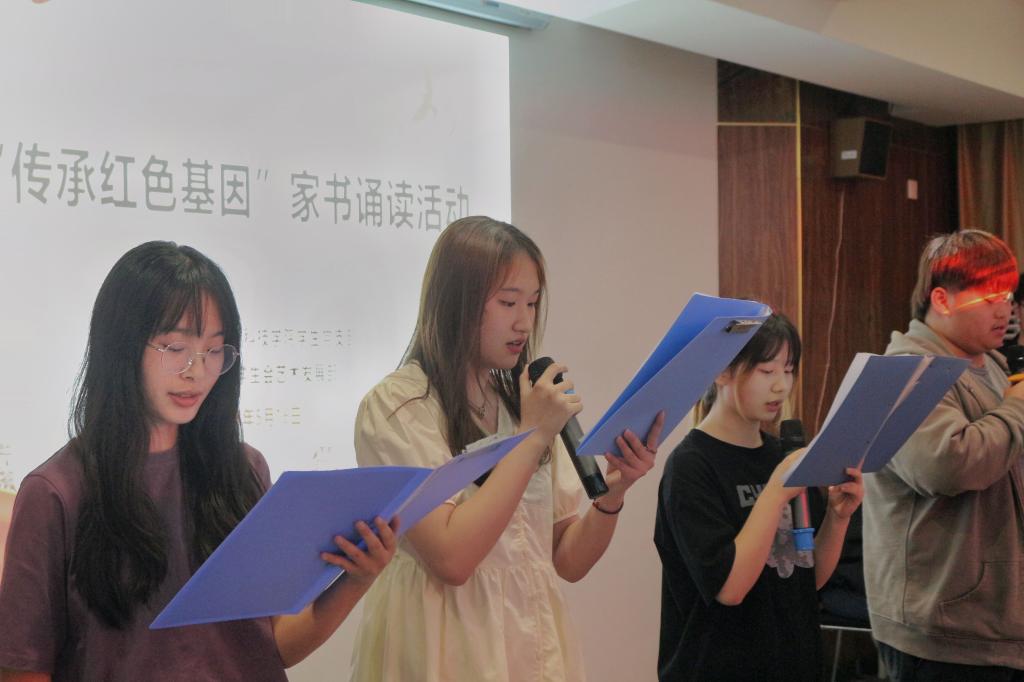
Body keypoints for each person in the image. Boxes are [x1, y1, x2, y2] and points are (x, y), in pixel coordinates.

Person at [0, 241, 397, 682]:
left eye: (214, 350)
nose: (197, 371)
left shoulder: (243, 471)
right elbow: (24, 668)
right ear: (121, 346)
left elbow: (271, 645)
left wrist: (357, 579)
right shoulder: (57, 492)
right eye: (175, 347)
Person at [349, 216, 664, 682]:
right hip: (444, 648)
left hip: (529, 643)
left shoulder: (522, 404)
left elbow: (567, 559)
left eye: (532, 303)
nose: (524, 322)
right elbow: (452, 558)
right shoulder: (398, 406)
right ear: (457, 302)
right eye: (508, 302)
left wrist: (613, 495)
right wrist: (533, 436)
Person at [654, 313, 864, 681]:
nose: (781, 386)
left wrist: (838, 516)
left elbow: (809, 576)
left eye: (789, 370)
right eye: (766, 371)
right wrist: (774, 493)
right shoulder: (691, 466)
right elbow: (730, 589)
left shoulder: (782, 453)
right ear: (722, 371)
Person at [863, 229, 1024, 680]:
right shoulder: (903, 371)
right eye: (989, 296)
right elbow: (948, 465)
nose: (1005, 309)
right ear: (942, 299)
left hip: (997, 624)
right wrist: (1018, 406)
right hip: (942, 634)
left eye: (1008, 295)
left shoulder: (993, 365)